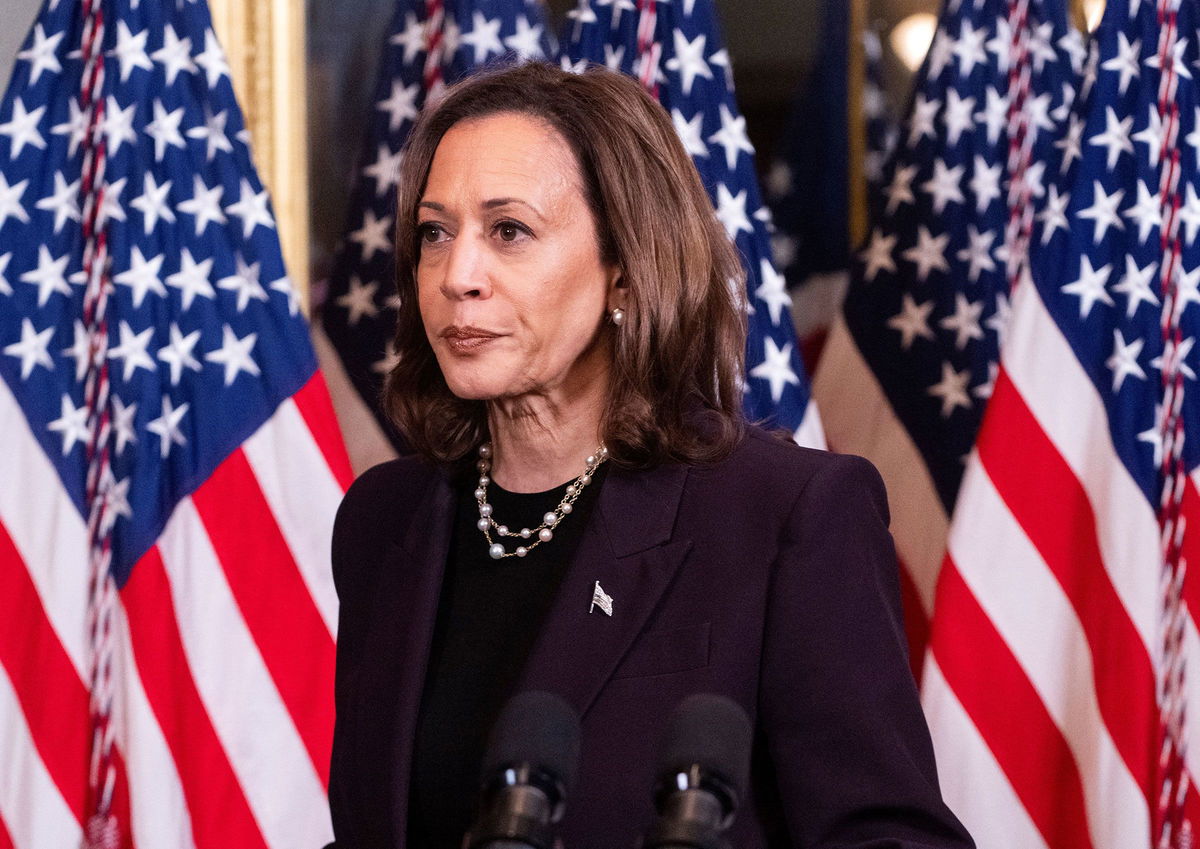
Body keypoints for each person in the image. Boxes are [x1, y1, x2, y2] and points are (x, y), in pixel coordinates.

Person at [326, 61, 973, 849]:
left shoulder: (781, 516)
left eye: (509, 231)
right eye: (435, 233)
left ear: (626, 273)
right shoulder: (385, 521)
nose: (458, 276)